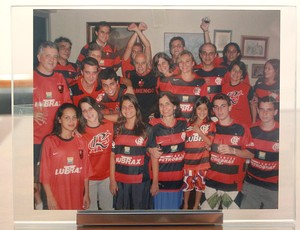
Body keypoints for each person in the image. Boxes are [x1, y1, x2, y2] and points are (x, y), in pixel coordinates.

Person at [33, 41, 72, 210]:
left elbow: (67, 106)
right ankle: (38, 209)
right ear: (39, 57)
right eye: (48, 55)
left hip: (57, 139)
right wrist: (29, 112)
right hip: (35, 140)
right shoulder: (27, 78)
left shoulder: (60, 78)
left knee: (53, 180)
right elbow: (7, 107)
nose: (52, 59)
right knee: (35, 180)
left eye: (55, 56)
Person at [201, 93, 254, 210]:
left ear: (230, 107)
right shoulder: (210, 127)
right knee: (207, 219)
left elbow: (250, 153)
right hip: (211, 182)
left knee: (231, 221)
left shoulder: (242, 128)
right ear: (213, 109)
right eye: (216, 107)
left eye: (223, 106)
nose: (219, 110)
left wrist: (233, 150)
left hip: (232, 185)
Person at [39, 103, 91, 210]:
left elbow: (85, 172)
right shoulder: (50, 141)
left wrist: (86, 194)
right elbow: (44, 174)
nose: (71, 121)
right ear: (59, 119)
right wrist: (49, 197)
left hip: (77, 196)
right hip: (57, 197)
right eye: (67, 118)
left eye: (74, 117)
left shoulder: (82, 141)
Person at [110, 94, 152, 210]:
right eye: (124, 107)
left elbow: (154, 156)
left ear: (136, 108)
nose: (127, 110)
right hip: (121, 181)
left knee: (139, 218)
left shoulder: (147, 129)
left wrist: (155, 182)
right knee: (121, 218)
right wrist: (112, 180)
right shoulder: (116, 129)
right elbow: (112, 156)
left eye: (131, 106)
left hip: (140, 182)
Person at [148, 92, 187, 209]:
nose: (164, 108)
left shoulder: (183, 123)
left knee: (174, 217)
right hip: (160, 179)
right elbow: (154, 154)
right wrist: (155, 182)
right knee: (160, 217)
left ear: (175, 106)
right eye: (161, 105)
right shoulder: (153, 125)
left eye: (167, 104)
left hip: (177, 178)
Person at [241, 96, 279, 209]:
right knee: (245, 222)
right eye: (262, 109)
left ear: (275, 112)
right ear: (257, 110)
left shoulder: (283, 131)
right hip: (252, 183)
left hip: (273, 188)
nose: (265, 113)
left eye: (269, 110)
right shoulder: (251, 130)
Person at [77, 96, 114, 210]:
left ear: (96, 108)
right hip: (89, 179)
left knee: (108, 211)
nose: (88, 113)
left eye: (90, 108)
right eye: (84, 110)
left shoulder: (109, 125)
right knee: (90, 212)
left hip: (107, 176)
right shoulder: (79, 132)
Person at [183, 96, 216, 209]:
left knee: (200, 187)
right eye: (199, 108)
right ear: (195, 109)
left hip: (202, 163)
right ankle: (186, 205)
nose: (202, 111)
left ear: (209, 110)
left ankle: (196, 206)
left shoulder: (210, 124)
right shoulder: (188, 124)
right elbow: (184, 141)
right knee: (187, 186)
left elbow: (210, 143)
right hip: (188, 162)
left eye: (205, 109)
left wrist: (199, 131)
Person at [199, 19, 250, 85]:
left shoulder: (241, 68)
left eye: (234, 51)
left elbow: (246, 86)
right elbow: (209, 49)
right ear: (225, 53)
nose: (231, 53)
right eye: (228, 51)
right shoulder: (220, 62)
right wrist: (206, 31)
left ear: (238, 54)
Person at [169, 50, 207, 120]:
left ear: (193, 63)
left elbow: (203, 106)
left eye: (187, 61)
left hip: (193, 122)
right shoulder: (172, 82)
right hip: (176, 123)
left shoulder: (201, 82)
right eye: (181, 62)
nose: (184, 64)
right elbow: (169, 105)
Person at [126, 52, 158, 123]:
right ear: (134, 64)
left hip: (151, 116)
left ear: (147, 64)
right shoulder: (130, 75)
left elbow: (161, 97)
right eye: (137, 63)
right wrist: (128, 85)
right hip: (135, 116)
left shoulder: (155, 76)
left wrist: (157, 113)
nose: (140, 66)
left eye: (143, 63)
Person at [222, 60, 254, 127]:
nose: (236, 73)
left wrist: (253, 123)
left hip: (244, 124)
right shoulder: (223, 87)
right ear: (230, 71)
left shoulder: (248, 88)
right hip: (228, 123)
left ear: (242, 75)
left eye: (239, 71)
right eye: (234, 70)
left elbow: (253, 105)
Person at [251, 59, 280, 123]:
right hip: (260, 117)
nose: (265, 71)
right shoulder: (259, 82)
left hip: (275, 120)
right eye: (265, 68)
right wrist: (253, 122)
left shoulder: (280, 85)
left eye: (269, 69)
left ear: (276, 70)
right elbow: (254, 102)